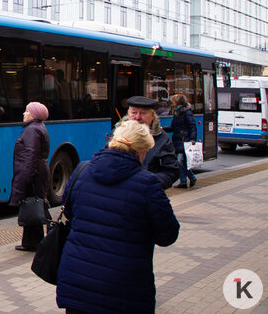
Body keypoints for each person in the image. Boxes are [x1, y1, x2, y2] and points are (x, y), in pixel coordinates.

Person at [56, 120, 180, 313]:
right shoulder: (148, 184)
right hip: (124, 288)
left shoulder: (82, 170)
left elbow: (71, 213)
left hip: (77, 281)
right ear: (141, 152)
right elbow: (168, 236)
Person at [113, 95, 179, 190]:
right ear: (128, 113)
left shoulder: (162, 138)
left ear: (152, 115)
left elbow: (172, 171)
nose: (138, 117)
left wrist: (150, 183)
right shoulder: (117, 133)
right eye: (134, 112)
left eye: (143, 113)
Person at [10, 101, 50, 252]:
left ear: (33, 115)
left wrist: (25, 178)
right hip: (38, 172)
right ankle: (31, 240)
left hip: (33, 174)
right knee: (34, 204)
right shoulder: (38, 127)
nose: (24, 113)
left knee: (31, 203)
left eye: (26, 111)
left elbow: (30, 155)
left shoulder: (32, 130)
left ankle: (33, 241)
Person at [166, 93, 198, 189]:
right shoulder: (177, 113)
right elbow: (173, 127)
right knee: (181, 163)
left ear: (178, 102)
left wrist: (192, 139)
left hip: (185, 141)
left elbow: (192, 126)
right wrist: (163, 128)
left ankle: (191, 178)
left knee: (179, 162)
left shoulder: (187, 113)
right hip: (178, 140)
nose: (172, 103)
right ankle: (184, 182)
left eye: (174, 101)